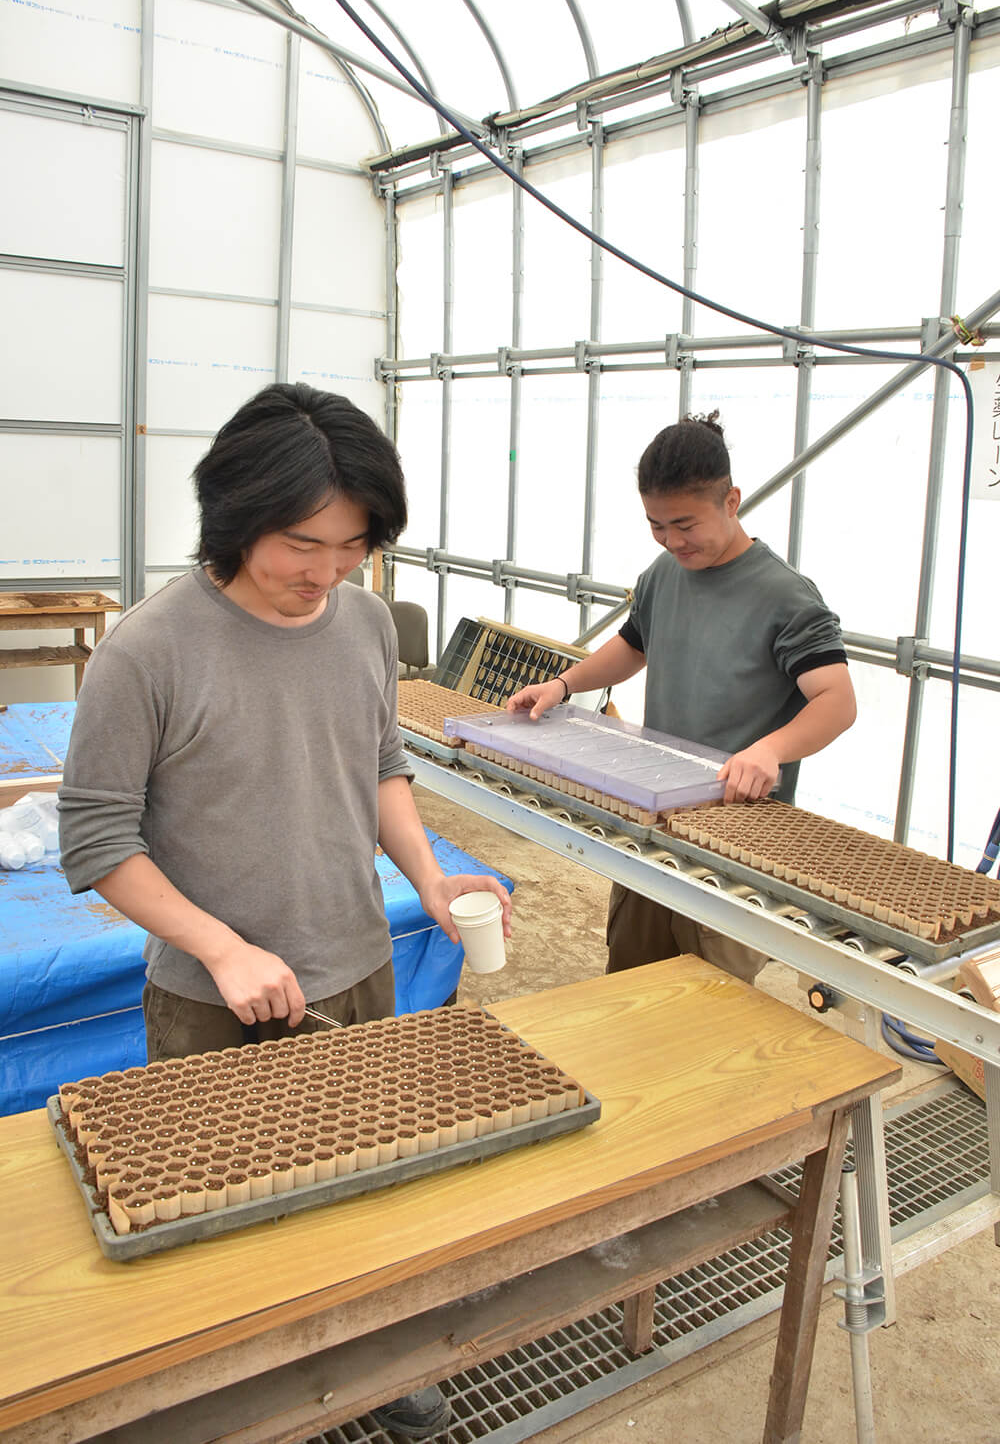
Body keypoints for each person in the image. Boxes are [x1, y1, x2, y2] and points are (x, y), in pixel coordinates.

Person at [59, 381, 511, 1441]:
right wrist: (219, 948)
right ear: (234, 512)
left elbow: (381, 765)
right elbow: (97, 842)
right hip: (215, 999)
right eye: (303, 543)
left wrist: (426, 878)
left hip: (357, 962)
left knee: (366, 1176)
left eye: (354, 544)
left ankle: (376, 1355)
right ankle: (243, 1388)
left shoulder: (358, 622)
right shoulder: (147, 649)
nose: (327, 570)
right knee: (234, 1213)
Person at [507, 410, 855, 985]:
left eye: (685, 524)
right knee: (633, 978)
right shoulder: (663, 574)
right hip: (653, 816)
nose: (672, 540)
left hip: (737, 835)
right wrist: (564, 684)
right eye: (656, 525)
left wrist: (770, 750)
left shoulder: (786, 597)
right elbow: (633, 645)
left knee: (714, 994)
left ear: (731, 500)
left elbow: (836, 701)